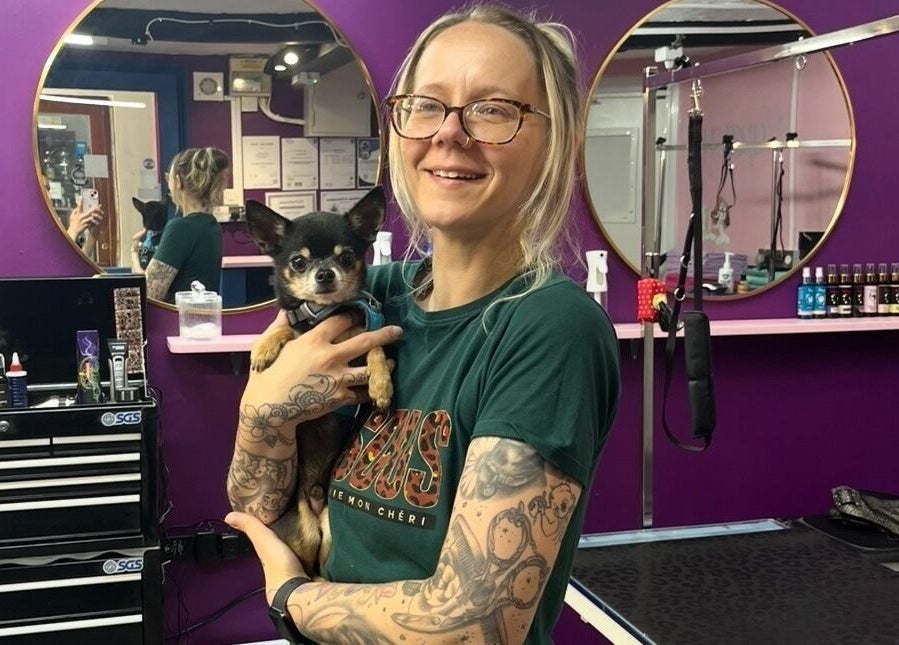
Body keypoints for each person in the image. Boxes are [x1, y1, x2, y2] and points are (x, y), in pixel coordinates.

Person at [225, 5, 620, 644]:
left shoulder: (550, 329)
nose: (450, 134)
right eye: (426, 105)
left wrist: (293, 599)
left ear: (555, 142)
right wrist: (262, 414)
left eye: (493, 109)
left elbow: (474, 625)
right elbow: (257, 509)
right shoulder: (373, 297)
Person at [141, 147, 227, 302]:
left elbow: (148, 294)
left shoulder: (181, 228)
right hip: (201, 320)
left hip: (176, 322)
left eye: (170, 179)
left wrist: (134, 254)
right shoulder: (212, 225)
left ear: (178, 182)